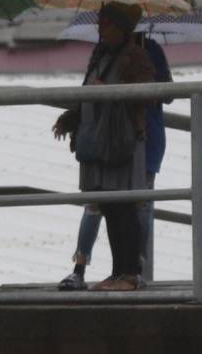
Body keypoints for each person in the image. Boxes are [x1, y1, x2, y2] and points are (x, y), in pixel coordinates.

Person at [58, 33, 174, 290]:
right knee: (100, 202)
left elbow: (165, 92)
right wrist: (73, 117)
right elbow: (86, 88)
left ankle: (133, 271)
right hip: (105, 137)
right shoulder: (102, 51)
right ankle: (83, 267)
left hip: (141, 136)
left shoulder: (147, 50)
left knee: (136, 204)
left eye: (110, 21)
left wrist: (122, 85)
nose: (103, 26)